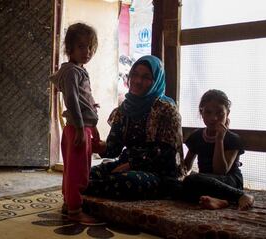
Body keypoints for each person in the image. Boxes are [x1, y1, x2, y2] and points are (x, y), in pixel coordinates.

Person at [84, 55, 184, 200]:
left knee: (126, 182)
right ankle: (89, 185)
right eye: (135, 75)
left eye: (146, 77)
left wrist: (130, 165)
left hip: (158, 172)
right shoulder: (124, 109)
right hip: (125, 165)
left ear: (156, 81)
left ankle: (87, 187)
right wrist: (94, 145)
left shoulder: (166, 110)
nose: (137, 81)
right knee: (85, 174)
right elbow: (114, 148)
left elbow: (166, 153)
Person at [50, 23, 102, 223]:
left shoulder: (79, 70)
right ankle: (75, 210)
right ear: (69, 48)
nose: (87, 52)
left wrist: (93, 127)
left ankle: (68, 203)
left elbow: (84, 101)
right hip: (76, 129)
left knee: (75, 169)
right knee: (78, 172)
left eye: (90, 47)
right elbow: (71, 101)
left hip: (82, 128)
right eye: (81, 46)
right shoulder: (72, 72)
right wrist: (81, 128)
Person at [182, 89, 254, 210]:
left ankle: (241, 196)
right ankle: (222, 201)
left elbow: (220, 171)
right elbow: (186, 166)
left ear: (228, 113)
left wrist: (219, 139)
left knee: (194, 179)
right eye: (208, 112)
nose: (214, 118)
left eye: (220, 113)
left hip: (229, 182)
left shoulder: (232, 139)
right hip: (206, 181)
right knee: (180, 185)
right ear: (201, 112)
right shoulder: (197, 136)